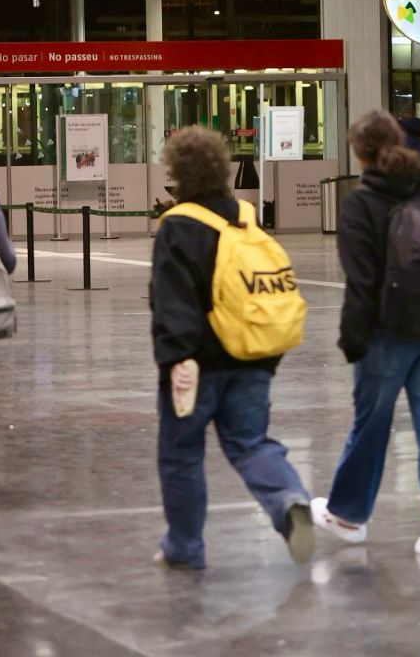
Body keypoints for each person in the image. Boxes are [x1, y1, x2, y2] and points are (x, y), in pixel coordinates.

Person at [149, 125, 313, 569]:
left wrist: (175, 358)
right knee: (251, 443)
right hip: (252, 354)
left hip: (197, 364)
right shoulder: (243, 217)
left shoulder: (179, 226)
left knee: (181, 455)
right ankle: (289, 499)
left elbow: (173, 304)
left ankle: (184, 547)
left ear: (176, 172)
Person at [313, 111, 420, 556]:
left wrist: (352, 339)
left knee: (372, 423)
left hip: (388, 332)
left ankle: (347, 515)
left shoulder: (362, 203)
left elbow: (361, 282)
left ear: (360, 152)